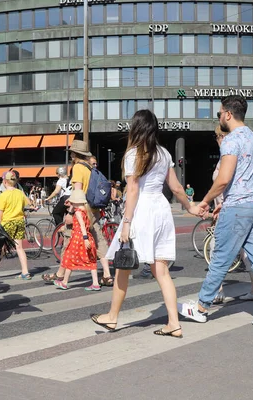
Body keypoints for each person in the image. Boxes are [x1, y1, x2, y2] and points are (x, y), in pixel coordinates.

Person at [90, 109, 197, 338]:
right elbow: (176, 187)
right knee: (162, 269)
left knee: (123, 266)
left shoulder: (133, 154)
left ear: (135, 127)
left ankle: (112, 316)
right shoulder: (164, 153)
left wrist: (126, 222)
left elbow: (133, 190)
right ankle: (174, 323)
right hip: (161, 208)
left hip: (142, 211)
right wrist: (190, 207)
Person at [182, 95, 253, 331]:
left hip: (238, 206)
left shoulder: (231, 140)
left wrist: (205, 200)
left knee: (220, 258)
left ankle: (202, 307)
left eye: (219, 114)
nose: (219, 117)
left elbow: (224, 178)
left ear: (227, 114)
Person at [41, 140, 114, 287]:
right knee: (99, 240)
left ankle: (61, 275)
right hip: (93, 210)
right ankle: (107, 274)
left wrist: (70, 211)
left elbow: (78, 192)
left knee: (69, 241)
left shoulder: (78, 168)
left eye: (72, 153)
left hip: (82, 210)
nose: (71, 156)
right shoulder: (89, 168)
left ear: (74, 154)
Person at [209, 124, 253, 304]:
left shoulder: (229, 156)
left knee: (217, 251)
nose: (218, 140)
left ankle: (215, 292)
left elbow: (223, 182)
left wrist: (206, 202)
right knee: (246, 251)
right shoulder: (228, 156)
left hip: (229, 210)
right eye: (218, 137)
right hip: (231, 210)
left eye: (220, 136)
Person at [53, 189, 100, 291]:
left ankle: (64, 282)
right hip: (88, 236)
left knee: (69, 258)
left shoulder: (78, 212)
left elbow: (82, 226)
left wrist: (84, 238)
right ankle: (95, 283)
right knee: (91, 260)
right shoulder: (86, 210)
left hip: (78, 238)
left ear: (75, 202)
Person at [0, 172, 32, 280]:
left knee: (2, 248)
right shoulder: (20, 193)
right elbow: (27, 204)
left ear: (4, 182)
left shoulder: (3, 195)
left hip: (7, 223)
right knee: (19, 248)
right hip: (19, 222)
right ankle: (25, 272)